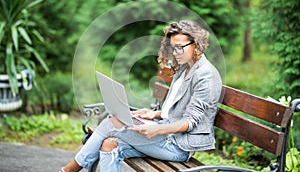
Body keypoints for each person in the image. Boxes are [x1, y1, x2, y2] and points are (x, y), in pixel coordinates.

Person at [60, 20, 222, 172]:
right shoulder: (184, 67)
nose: (175, 52)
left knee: (112, 123)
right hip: (164, 134)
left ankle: (69, 170)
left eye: (180, 47)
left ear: (196, 44)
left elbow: (190, 121)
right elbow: (176, 109)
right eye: (173, 48)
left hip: (176, 146)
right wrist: (153, 114)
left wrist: (157, 129)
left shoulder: (205, 75)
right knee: (110, 145)